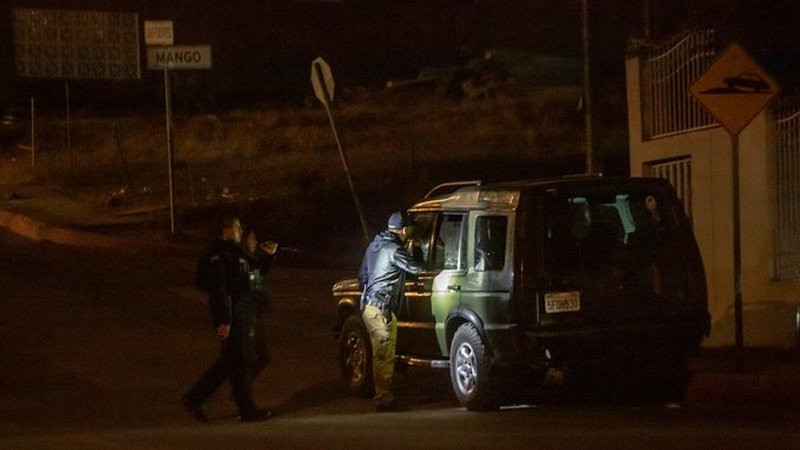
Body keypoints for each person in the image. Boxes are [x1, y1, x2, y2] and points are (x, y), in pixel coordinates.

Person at [182, 216, 271, 423]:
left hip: (242, 313)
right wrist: (224, 320)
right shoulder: (216, 255)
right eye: (237, 228)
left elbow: (256, 272)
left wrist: (268, 256)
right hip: (231, 316)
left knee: (228, 364)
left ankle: (194, 399)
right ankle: (246, 408)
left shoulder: (236, 251)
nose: (240, 231)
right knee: (237, 362)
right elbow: (218, 290)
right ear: (226, 230)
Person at [358, 211, 422, 412]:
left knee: (381, 354)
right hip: (381, 309)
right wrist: (417, 249)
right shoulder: (395, 250)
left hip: (370, 308)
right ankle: (384, 399)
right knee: (384, 355)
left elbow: (362, 276)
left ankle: (384, 395)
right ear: (404, 229)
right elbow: (417, 268)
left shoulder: (373, 246)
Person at [241, 227, 278, 382]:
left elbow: (260, 272)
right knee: (248, 356)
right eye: (252, 239)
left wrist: (268, 255)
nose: (255, 242)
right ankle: (241, 390)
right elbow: (253, 274)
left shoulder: (252, 257)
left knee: (264, 355)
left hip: (257, 312)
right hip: (247, 313)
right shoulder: (241, 259)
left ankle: (241, 388)